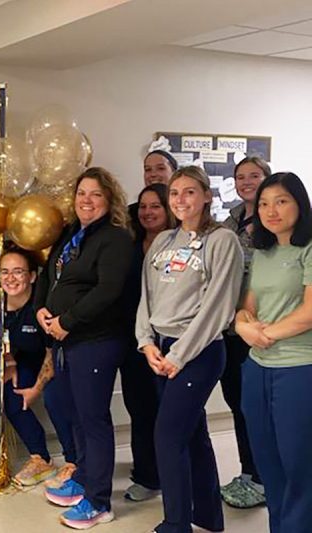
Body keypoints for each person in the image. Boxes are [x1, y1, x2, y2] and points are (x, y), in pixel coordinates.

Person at [136, 165, 243, 533]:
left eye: (190, 192)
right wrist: (146, 342)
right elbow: (146, 298)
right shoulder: (163, 241)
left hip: (199, 351)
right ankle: (208, 516)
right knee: (191, 432)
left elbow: (219, 305)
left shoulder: (222, 240)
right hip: (161, 349)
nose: (181, 200)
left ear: (207, 196)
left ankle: (176, 523)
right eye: (175, 194)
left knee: (167, 436)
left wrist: (180, 355)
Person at [34, 167, 133, 529]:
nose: (86, 201)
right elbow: (49, 277)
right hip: (66, 341)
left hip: (96, 341)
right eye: (81, 194)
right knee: (74, 413)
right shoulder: (73, 234)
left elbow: (107, 291)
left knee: (93, 419)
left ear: (109, 199)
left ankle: (99, 502)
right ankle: (85, 477)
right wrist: (43, 310)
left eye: (95, 194)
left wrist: (67, 321)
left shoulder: (115, 239)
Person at [236, 172, 312, 533]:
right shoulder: (263, 251)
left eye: (281, 201)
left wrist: (264, 334)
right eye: (264, 203)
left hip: (299, 369)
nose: (271, 210)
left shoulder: (309, 247)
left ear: (299, 202)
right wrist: (241, 324)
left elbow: (310, 312)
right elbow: (247, 305)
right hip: (256, 370)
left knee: (299, 465)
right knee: (269, 463)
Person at [219, 156, 271, 509]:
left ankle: (264, 478)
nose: (247, 181)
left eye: (255, 176)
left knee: (258, 408)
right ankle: (249, 473)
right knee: (238, 405)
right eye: (241, 176)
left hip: (263, 329)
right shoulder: (233, 217)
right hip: (231, 328)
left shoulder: (276, 219)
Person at [0, 247, 76, 487]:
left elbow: (52, 353)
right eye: (4, 272)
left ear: (32, 276)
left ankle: (74, 461)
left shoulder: (42, 308)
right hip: (20, 361)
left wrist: (36, 389)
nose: (10, 278)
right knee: (11, 394)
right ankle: (40, 459)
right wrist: (9, 364)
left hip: (53, 360)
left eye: (18, 272)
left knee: (56, 398)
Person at [120, 183, 175, 502]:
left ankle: (175, 475)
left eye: (156, 206)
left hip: (171, 340)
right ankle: (147, 476)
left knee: (171, 414)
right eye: (143, 206)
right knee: (140, 410)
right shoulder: (129, 244)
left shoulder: (181, 245)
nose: (148, 212)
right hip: (134, 341)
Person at [129, 150, 179, 237]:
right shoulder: (130, 214)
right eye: (148, 169)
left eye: (160, 168)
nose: (153, 174)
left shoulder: (184, 212)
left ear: (174, 173)